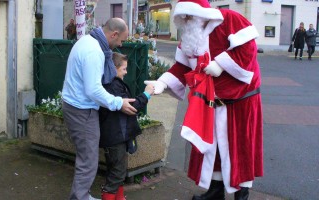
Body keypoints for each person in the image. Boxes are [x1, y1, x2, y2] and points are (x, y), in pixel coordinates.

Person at [145, 0, 263, 199]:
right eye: (184, 17)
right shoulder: (189, 38)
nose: (188, 20)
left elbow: (248, 49)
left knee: (241, 149)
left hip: (241, 101)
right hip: (210, 102)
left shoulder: (230, 19)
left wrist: (221, 64)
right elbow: (181, 68)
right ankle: (216, 191)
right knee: (212, 148)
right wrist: (162, 83)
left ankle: (241, 194)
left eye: (190, 15)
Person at [62, 18, 137, 200]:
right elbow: (93, 90)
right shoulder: (94, 52)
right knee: (88, 162)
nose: (120, 45)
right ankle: (79, 198)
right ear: (114, 34)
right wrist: (118, 102)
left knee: (85, 158)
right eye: (121, 40)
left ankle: (83, 196)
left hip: (75, 106)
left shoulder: (87, 40)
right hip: (82, 111)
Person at [99, 52, 154, 200]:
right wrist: (147, 94)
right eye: (123, 68)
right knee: (117, 172)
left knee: (117, 170)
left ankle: (119, 197)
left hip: (114, 135)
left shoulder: (109, 84)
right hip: (115, 136)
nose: (126, 72)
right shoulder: (113, 86)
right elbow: (132, 106)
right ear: (114, 68)